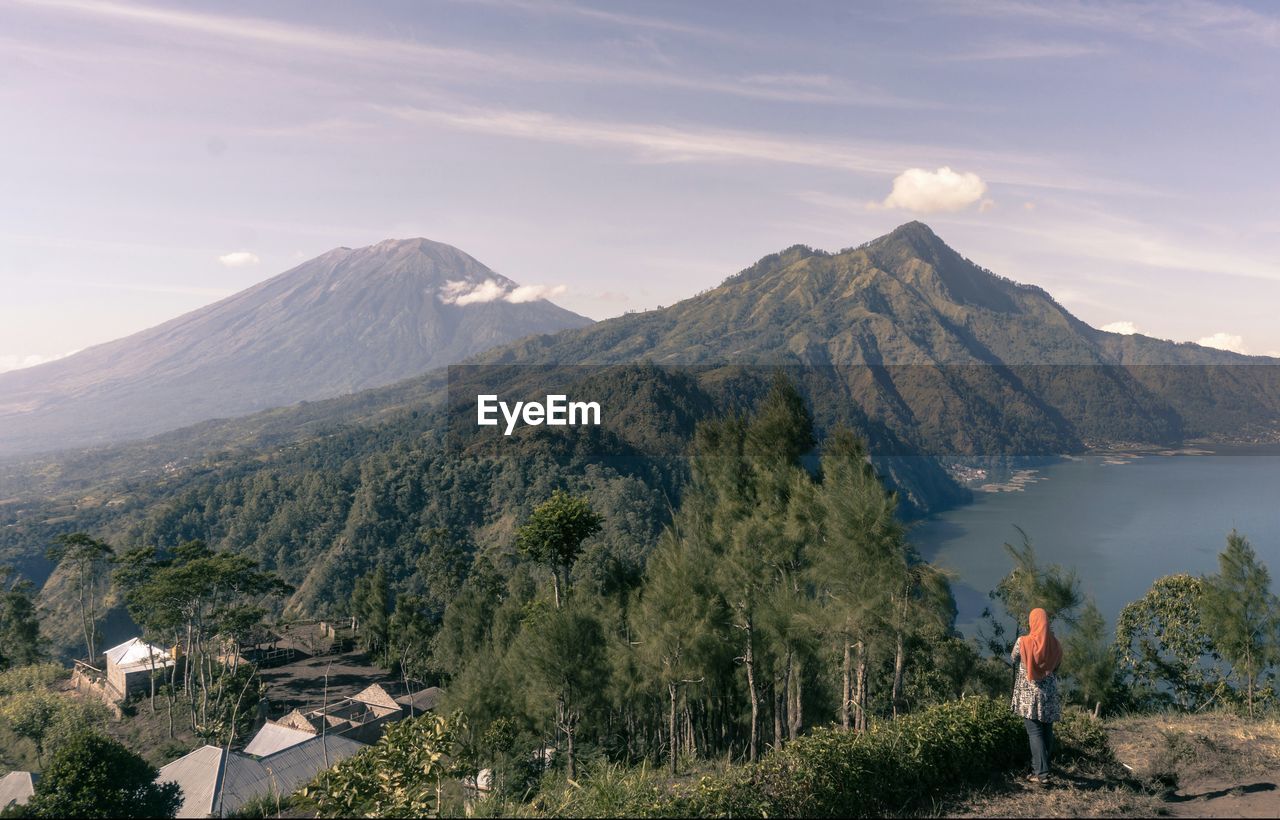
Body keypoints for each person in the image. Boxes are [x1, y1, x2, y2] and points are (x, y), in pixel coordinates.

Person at [1011, 607, 1063, 784]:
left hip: (1029, 696)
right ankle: (1042, 768)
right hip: (1049, 695)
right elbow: (1056, 665)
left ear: (1032, 623)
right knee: (1047, 730)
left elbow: (1013, 658)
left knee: (1034, 732)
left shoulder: (1023, 642)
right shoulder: (1055, 644)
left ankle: (1041, 774)